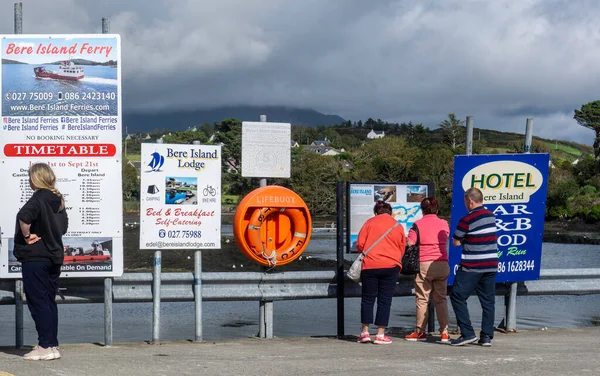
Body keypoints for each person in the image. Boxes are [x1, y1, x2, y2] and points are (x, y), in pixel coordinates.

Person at [13, 163, 68, 360]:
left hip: (36, 258)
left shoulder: (38, 197)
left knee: (38, 302)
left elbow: (23, 217)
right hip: (54, 256)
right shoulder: (58, 199)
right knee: (48, 301)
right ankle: (51, 345)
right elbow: (64, 228)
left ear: (36, 178)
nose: (29, 180)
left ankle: (44, 346)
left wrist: (27, 236)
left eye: (30, 177)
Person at [449, 187, 498, 346]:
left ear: (470, 201)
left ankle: (468, 333)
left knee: (457, 295)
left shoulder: (466, 219)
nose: (465, 204)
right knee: (488, 302)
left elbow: (456, 242)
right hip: (490, 265)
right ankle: (486, 337)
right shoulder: (491, 216)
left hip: (472, 265)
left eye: (465, 201)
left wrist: (465, 239)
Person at [356, 200, 406, 345]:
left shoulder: (369, 223)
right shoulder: (397, 226)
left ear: (376, 212)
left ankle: (365, 332)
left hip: (370, 265)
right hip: (391, 265)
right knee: (385, 300)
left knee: (367, 299)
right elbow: (402, 247)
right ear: (390, 212)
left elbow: (360, 244)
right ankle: (380, 334)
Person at [404, 197, 451, 343]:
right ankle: (444, 332)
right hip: (442, 263)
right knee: (441, 299)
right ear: (437, 209)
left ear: (422, 209)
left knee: (422, 299)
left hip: (424, 264)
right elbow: (447, 236)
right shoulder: (444, 223)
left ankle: (419, 332)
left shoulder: (417, 224)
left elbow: (410, 242)